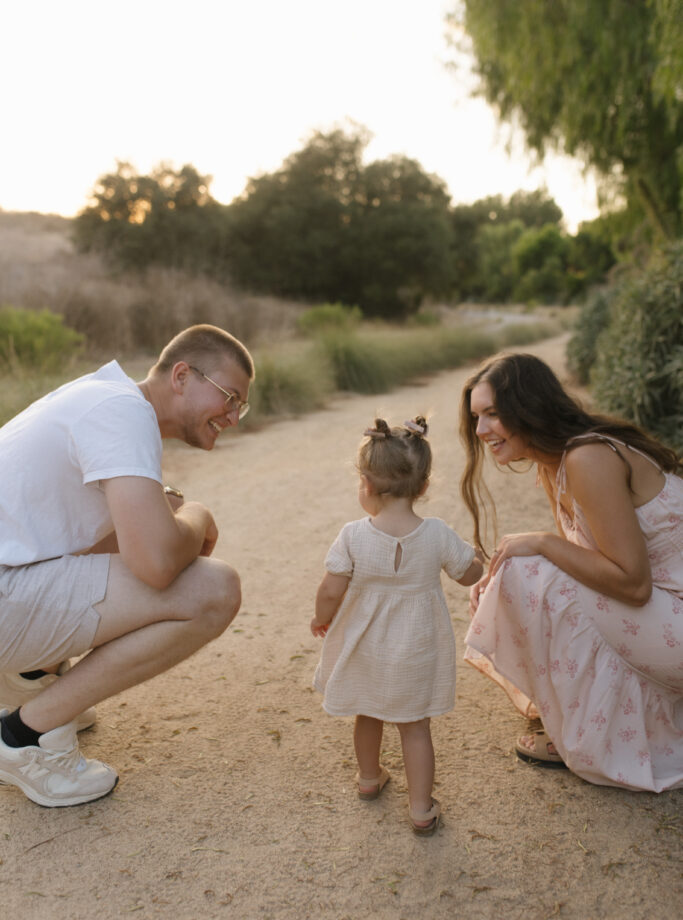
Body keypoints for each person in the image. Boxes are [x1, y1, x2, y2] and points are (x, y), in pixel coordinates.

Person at [0, 323, 254, 807]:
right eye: (228, 397)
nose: (234, 416)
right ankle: (23, 738)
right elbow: (155, 563)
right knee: (214, 590)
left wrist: (168, 507)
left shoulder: (102, 395)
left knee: (138, 530)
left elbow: (118, 533)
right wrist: (199, 516)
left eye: (241, 405)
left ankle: (30, 682)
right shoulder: (123, 414)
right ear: (181, 375)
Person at [459, 351, 683, 792]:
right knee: (525, 568)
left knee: (531, 569)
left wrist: (543, 542)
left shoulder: (588, 457)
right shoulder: (556, 463)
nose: (481, 430)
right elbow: (592, 566)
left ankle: (587, 733)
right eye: (477, 417)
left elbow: (633, 586)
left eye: (492, 414)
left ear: (528, 408)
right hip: (667, 615)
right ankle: (584, 714)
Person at [311, 416, 483, 835]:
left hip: (366, 645)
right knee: (415, 725)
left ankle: (369, 779)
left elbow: (331, 589)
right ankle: (421, 808)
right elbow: (469, 574)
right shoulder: (438, 534)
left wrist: (322, 618)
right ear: (423, 486)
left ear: (366, 485)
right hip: (416, 647)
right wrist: (476, 557)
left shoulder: (352, 535)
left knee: (367, 713)